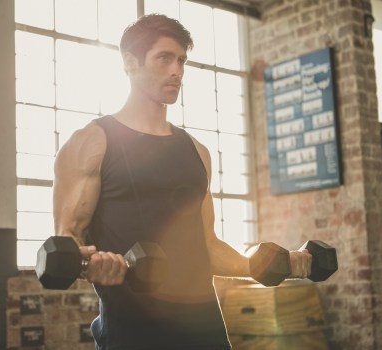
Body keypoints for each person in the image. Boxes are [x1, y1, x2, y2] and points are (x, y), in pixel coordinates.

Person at [53, 14, 312, 350]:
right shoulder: (91, 143)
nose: (177, 71)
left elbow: (207, 246)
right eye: (164, 58)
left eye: (181, 60)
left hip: (204, 329)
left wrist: (281, 264)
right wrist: (93, 266)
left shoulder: (196, 151)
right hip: (132, 331)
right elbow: (66, 244)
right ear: (130, 63)